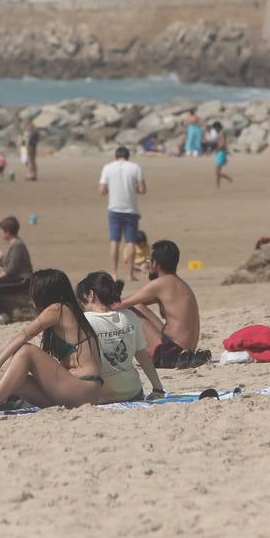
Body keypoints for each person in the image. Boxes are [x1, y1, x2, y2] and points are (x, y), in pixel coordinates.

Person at [0, 269, 104, 416]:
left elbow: (23, 336)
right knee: (15, 380)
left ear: (45, 292)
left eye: (34, 291)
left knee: (27, 350)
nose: (30, 297)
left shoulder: (58, 308)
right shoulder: (67, 312)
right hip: (71, 393)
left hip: (82, 390)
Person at [113, 240, 207, 369]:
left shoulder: (161, 283)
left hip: (171, 355)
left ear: (155, 264)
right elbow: (136, 302)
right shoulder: (178, 283)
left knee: (129, 309)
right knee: (137, 306)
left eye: (149, 260)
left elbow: (119, 305)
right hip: (185, 351)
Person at [77, 271, 164, 402]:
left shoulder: (84, 321)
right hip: (132, 393)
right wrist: (158, 388)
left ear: (90, 295)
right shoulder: (130, 316)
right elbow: (143, 356)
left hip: (100, 396)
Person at [100, 145, 146, 276]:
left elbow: (102, 190)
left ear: (116, 156)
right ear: (127, 156)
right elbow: (142, 190)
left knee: (114, 241)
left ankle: (114, 273)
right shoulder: (135, 167)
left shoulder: (108, 167)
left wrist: (110, 189)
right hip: (131, 209)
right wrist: (133, 189)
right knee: (130, 242)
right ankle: (130, 274)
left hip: (114, 209)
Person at [0, 215, 35, 325]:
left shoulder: (17, 245)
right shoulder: (15, 244)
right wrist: (1, 259)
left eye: (2, 231)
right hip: (16, 277)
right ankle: (0, 313)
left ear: (7, 232)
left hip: (22, 279)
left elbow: (11, 270)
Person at [212, 122, 233, 188]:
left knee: (217, 172)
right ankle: (217, 186)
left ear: (217, 127)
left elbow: (223, 143)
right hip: (220, 152)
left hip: (221, 152)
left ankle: (229, 179)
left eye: (215, 128)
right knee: (217, 172)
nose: (215, 130)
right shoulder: (221, 132)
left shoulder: (222, 132)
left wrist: (218, 149)